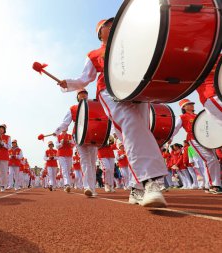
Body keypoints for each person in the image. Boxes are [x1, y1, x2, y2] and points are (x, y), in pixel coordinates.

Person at [58, 18, 168, 207]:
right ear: (100, 33)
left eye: (113, 22)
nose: (112, 25)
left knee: (138, 131)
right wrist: (67, 83)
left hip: (137, 89)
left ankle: (136, 188)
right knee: (131, 123)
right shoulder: (93, 54)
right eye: (107, 25)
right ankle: (151, 182)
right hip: (109, 91)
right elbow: (84, 79)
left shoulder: (130, 43)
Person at [170, 98, 221, 194]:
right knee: (210, 159)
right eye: (189, 104)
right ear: (184, 107)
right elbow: (175, 128)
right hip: (193, 139)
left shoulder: (198, 116)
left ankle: (209, 185)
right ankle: (214, 185)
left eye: (192, 103)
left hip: (206, 139)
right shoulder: (182, 117)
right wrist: (170, 138)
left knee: (213, 161)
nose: (192, 105)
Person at [54, 88, 96, 197]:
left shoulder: (94, 105)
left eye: (85, 94)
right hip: (79, 136)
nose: (83, 96)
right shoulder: (72, 109)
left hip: (93, 135)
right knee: (85, 160)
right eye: (80, 94)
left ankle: (92, 187)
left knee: (92, 161)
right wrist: (57, 131)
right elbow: (65, 123)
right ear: (77, 97)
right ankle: (88, 187)